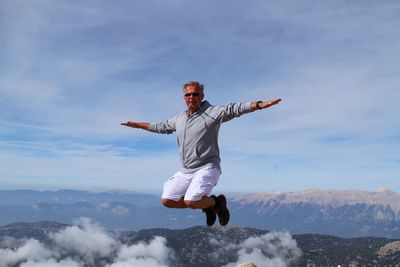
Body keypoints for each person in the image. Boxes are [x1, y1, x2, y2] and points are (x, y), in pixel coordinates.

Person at [121, 81, 281, 226]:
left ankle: (216, 203)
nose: (191, 97)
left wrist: (259, 105)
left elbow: (234, 109)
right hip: (186, 170)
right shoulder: (179, 118)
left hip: (208, 166)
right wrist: (137, 125)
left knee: (191, 201)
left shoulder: (212, 113)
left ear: (202, 96)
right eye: (188, 94)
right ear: (184, 98)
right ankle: (208, 205)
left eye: (195, 94)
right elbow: (160, 126)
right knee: (167, 200)